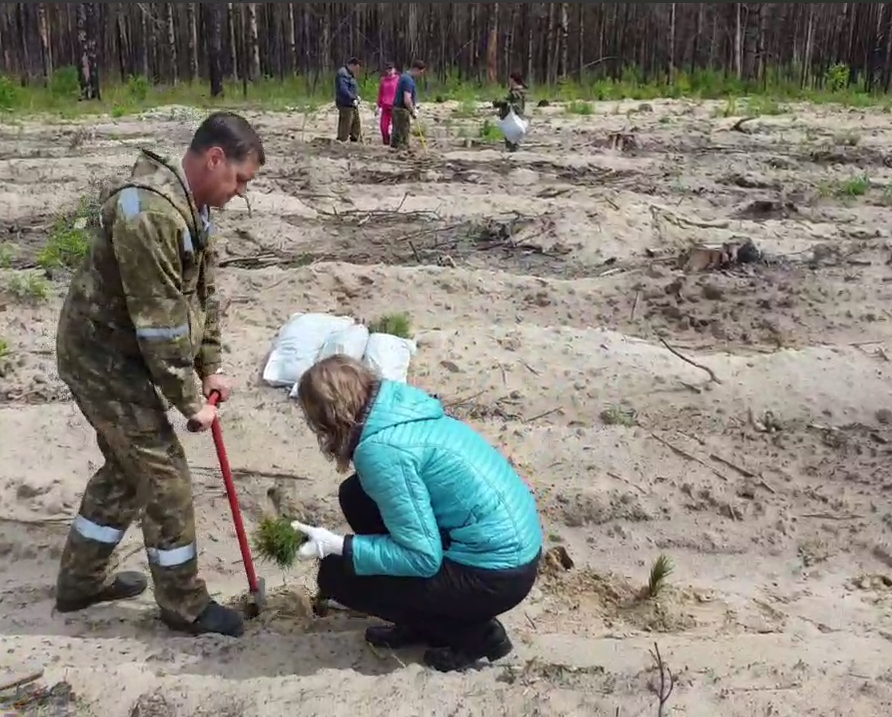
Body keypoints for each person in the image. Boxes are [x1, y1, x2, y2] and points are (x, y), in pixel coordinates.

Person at [53, 111, 265, 639]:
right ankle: (184, 605)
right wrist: (193, 403)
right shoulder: (148, 212)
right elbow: (160, 328)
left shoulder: (193, 206)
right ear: (215, 159)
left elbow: (200, 293)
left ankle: (79, 582)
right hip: (100, 358)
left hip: (125, 355)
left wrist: (210, 365)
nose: (239, 193)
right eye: (239, 179)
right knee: (164, 474)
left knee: (128, 470)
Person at [290, 355, 543, 672]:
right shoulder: (399, 409)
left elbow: (422, 557)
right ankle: (421, 620)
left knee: (339, 575)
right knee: (355, 495)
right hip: (512, 549)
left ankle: (474, 634)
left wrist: (340, 546)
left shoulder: (381, 450)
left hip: (495, 575)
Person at [390, 59, 427, 151]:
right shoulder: (408, 80)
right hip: (402, 111)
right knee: (403, 136)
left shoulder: (403, 77)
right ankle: (401, 153)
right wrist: (412, 111)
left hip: (397, 109)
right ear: (416, 69)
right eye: (420, 73)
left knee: (396, 134)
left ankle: (395, 151)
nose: (420, 75)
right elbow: (407, 99)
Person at [493, 72, 528, 152]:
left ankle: (511, 147)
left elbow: (506, 101)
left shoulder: (515, 92)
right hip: (520, 115)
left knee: (508, 130)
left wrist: (497, 103)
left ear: (513, 80)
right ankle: (514, 146)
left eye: (510, 80)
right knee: (516, 133)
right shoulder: (522, 91)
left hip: (513, 115)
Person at [335, 57, 362, 142]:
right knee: (345, 124)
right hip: (345, 104)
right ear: (352, 65)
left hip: (352, 104)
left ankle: (355, 140)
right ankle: (341, 141)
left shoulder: (350, 74)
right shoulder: (342, 74)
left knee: (356, 124)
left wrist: (357, 97)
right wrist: (352, 98)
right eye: (356, 68)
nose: (357, 71)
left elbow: (352, 87)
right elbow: (343, 89)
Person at [376, 63, 399, 146]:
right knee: (383, 127)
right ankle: (386, 142)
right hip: (385, 106)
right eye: (388, 69)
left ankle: (394, 142)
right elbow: (380, 93)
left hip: (394, 105)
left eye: (391, 69)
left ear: (394, 70)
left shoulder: (398, 79)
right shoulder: (383, 80)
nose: (390, 71)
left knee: (394, 126)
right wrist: (378, 105)